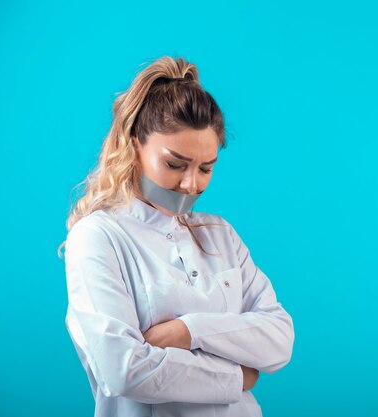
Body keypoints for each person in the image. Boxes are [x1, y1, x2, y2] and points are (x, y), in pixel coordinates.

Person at [59, 56, 295, 417]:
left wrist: (188, 330)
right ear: (134, 143)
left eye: (206, 168)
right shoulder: (98, 237)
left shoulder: (220, 234)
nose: (191, 184)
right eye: (175, 164)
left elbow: (279, 338)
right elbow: (125, 370)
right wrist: (238, 376)